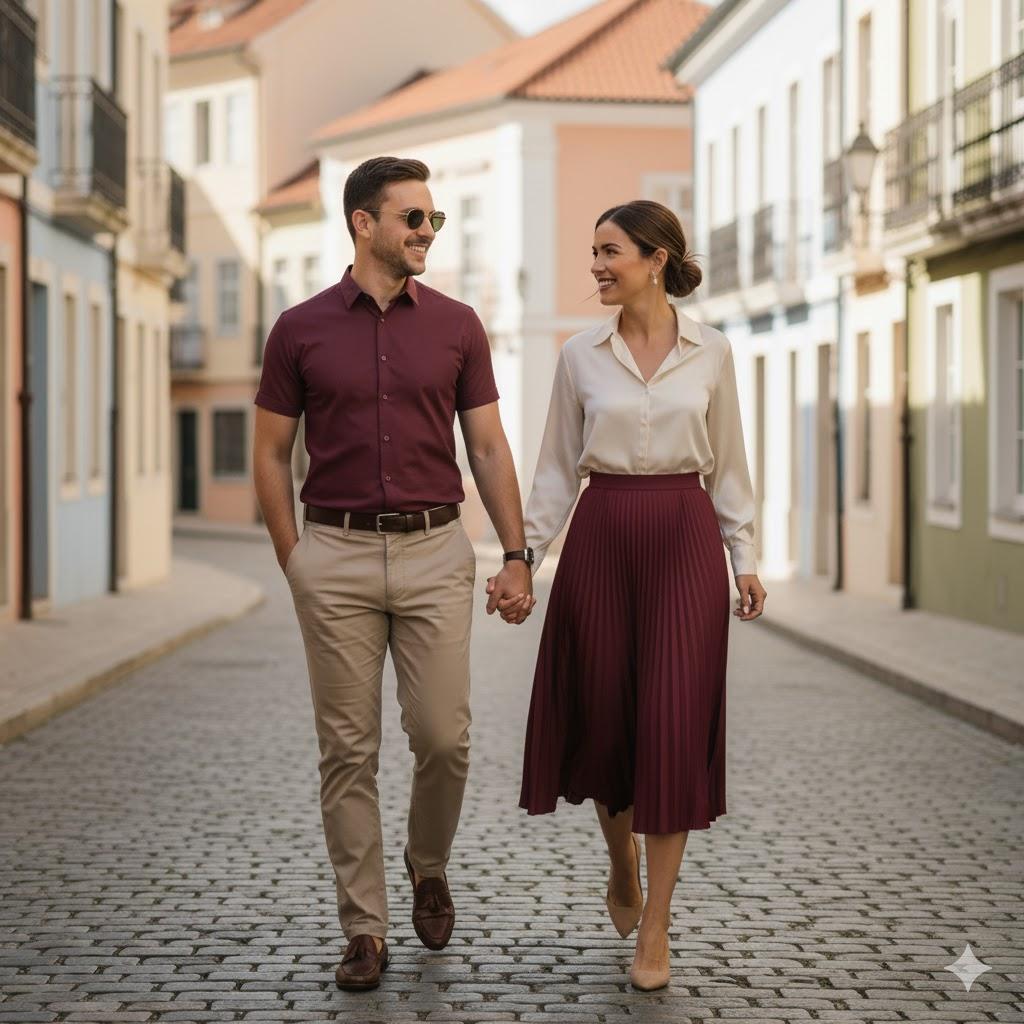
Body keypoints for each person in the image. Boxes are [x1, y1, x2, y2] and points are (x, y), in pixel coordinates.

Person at [252, 156, 536, 992]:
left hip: (434, 550)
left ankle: (428, 861)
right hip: (331, 556)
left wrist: (516, 555)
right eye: (413, 218)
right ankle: (365, 929)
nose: (427, 232)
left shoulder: (457, 325)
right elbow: (270, 452)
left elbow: (486, 445)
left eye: (433, 219)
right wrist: (293, 560)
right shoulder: (298, 329)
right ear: (362, 223)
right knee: (347, 751)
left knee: (445, 737)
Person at [500, 199, 767, 991]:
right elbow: (554, 468)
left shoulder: (711, 352)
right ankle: (622, 866)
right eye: (593, 252)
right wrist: (526, 557)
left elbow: (729, 464)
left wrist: (742, 557)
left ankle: (657, 925)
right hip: (603, 532)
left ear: (656, 259)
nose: (596, 267)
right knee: (607, 721)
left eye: (609, 251)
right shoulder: (580, 355)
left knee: (674, 725)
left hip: (684, 536)